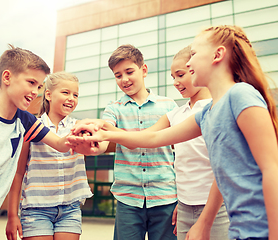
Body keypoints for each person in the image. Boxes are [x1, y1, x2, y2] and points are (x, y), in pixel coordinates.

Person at [71, 25, 278, 240]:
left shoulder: (240, 95)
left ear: (217, 55)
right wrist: (102, 130)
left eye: (194, 54)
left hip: (259, 228)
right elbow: (151, 137)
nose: (188, 62)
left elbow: (272, 169)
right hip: (238, 228)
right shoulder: (205, 113)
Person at [0, 45, 77, 240]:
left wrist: (87, 131)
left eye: (39, 86)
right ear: (7, 77)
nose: (35, 91)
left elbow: (61, 144)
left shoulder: (25, 120)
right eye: (31, 82)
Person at [72, 44, 178, 240]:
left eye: (129, 72)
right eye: (118, 75)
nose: (124, 79)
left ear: (143, 70)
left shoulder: (168, 106)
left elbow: (180, 153)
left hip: (166, 197)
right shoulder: (114, 108)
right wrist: (91, 146)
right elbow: (104, 139)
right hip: (128, 199)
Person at [5, 72, 93, 240]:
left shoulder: (80, 127)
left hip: (70, 209)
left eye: (75, 95)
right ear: (48, 94)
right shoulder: (32, 127)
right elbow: (17, 173)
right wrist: (12, 215)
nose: (71, 98)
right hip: (36, 211)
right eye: (65, 92)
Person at [166, 45, 229, 240]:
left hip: (220, 208)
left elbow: (224, 168)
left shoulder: (219, 107)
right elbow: (148, 136)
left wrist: (204, 220)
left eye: (180, 74)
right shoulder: (176, 114)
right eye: (173, 78)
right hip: (185, 207)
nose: (176, 82)